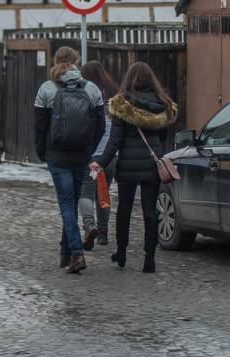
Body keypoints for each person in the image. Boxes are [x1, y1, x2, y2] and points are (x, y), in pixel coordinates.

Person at [90, 62, 178, 273]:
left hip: (128, 165)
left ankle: (121, 253)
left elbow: (115, 141)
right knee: (150, 211)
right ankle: (150, 259)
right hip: (151, 164)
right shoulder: (162, 103)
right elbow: (164, 136)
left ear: (129, 78)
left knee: (125, 211)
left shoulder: (122, 104)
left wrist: (100, 162)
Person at [34, 46, 105, 274]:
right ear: (77, 62)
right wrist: (89, 149)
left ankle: (75, 253)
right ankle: (65, 252)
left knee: (66, 203)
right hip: (81, 154)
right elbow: (101, 126)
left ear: (54, 62)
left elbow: (40, 126)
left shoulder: (46, 89)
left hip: (56, 154)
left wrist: (42, 152)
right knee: (72, 202)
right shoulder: (92, 89)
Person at [78, 61, 119, 250]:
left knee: (86, 193)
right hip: (110, 155)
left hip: (91, 154)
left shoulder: (85, 94)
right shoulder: (113, 95)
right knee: (103, 192)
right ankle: (103, 233)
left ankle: (89, 226)